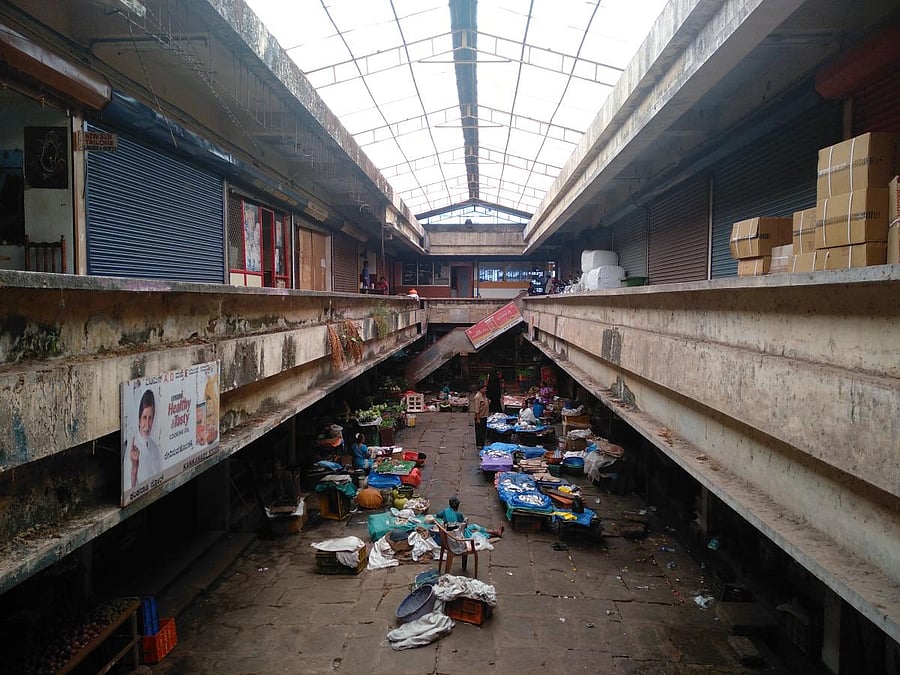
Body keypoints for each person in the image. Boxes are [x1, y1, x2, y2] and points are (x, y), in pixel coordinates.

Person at [125, 388, 162, 489]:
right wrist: (135, 466)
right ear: (139, 419)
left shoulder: (155, 448)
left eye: (150, 418)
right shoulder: (132, 448)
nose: (147, 424)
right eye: (144, 417)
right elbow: (129, 489)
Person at [436, 496, 504, 538]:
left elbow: (438, 515)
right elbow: (464, 526)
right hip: (457, 535)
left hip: (450, 532)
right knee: (475, 533)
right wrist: (465, 521)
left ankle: (495, 531)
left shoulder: (445, 511)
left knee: (474, 526)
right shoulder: (458, 515)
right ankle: (492, 534)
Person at [472, 382, 489, 448]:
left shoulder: (484, 395)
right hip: (480, 417)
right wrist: (478, 418)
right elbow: (477, 409)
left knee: (483, 430)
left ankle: (482, 443)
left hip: (484, 415)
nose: (486, 390)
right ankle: (479, 444)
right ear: (481, 389)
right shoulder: (477, 397)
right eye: (485, 389)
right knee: (479, 431)